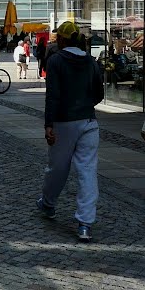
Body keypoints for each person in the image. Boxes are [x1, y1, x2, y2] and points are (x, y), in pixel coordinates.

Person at [37, 21, 104, 242]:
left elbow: (52, 95)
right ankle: (85, 223)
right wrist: (86, 105)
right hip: (88, 121)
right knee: (87, 172)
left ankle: (47, 204)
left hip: (64, 122)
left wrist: (49, 125)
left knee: (57, 168)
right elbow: (99, 94)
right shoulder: (91, 62)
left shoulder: (56, 61)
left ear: (63, 40)